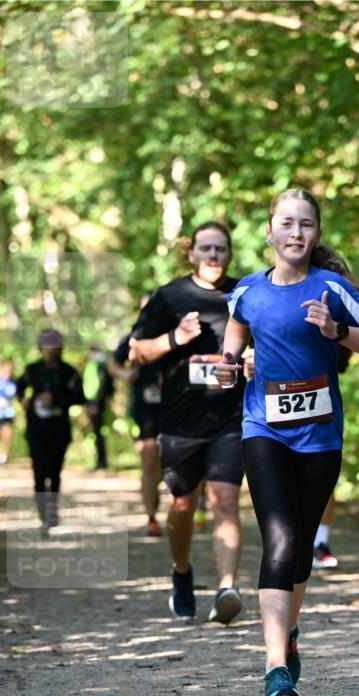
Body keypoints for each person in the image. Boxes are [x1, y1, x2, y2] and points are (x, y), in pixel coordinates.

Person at [216, 188, 359, 696]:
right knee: (281, 541)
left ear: (316, 234)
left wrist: (337, 331)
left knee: (302, 543)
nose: (295, 232)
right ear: (269, 232)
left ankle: (289, 633)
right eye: (286, 223)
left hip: (320, 435)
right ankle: (275, 668)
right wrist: (228, 367)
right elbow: (235, 340)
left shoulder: (332, 288)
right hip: (262, 427)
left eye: (306, 224)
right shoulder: (246, 292)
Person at [129, 221, 244, 624]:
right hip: (180, 422)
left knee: (225, 501)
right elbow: (136, 351)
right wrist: (174, 339)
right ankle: (181, 572)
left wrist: (256, 359)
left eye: (221, 249)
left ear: (229, 253)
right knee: (181, 504)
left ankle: (226, 588)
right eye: (206, 249)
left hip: (231, 417)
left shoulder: (244, 292)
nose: (213, 256)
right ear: (191, 253)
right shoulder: (169, 296)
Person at [16, 328, 85, 529]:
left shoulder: (68, 372)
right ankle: (42, 514)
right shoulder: (32, 370)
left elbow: (79, 396)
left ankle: (52, 511)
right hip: (36, 428)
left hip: (59, 428)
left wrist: (56, 399)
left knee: (54, 472)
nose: (50, 349)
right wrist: (25, 400)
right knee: (39, 471)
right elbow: (19, 388)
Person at [110, 326, 163, 537]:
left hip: (175, 408)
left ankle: (159, 492)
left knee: (170, 463)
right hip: (144, 410)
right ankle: (151, 517)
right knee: (149, 460)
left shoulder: (179, 332)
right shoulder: (134, 336)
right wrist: (124, 374)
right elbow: (113, 363)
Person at [312, 345, 352, 569]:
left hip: (320, 396)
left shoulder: (331, 308)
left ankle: (320, 543)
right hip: (272, 399)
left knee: (323, 476)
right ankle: (287, 541)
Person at [84, 344, 114, 471]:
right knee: (96, 431)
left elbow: (102, 384)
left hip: (96, 402)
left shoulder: (99, 363)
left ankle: (101, 461)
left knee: (98, 432)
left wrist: (96, 402)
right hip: (92, 401)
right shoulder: (94, 363)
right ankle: (100, 460)